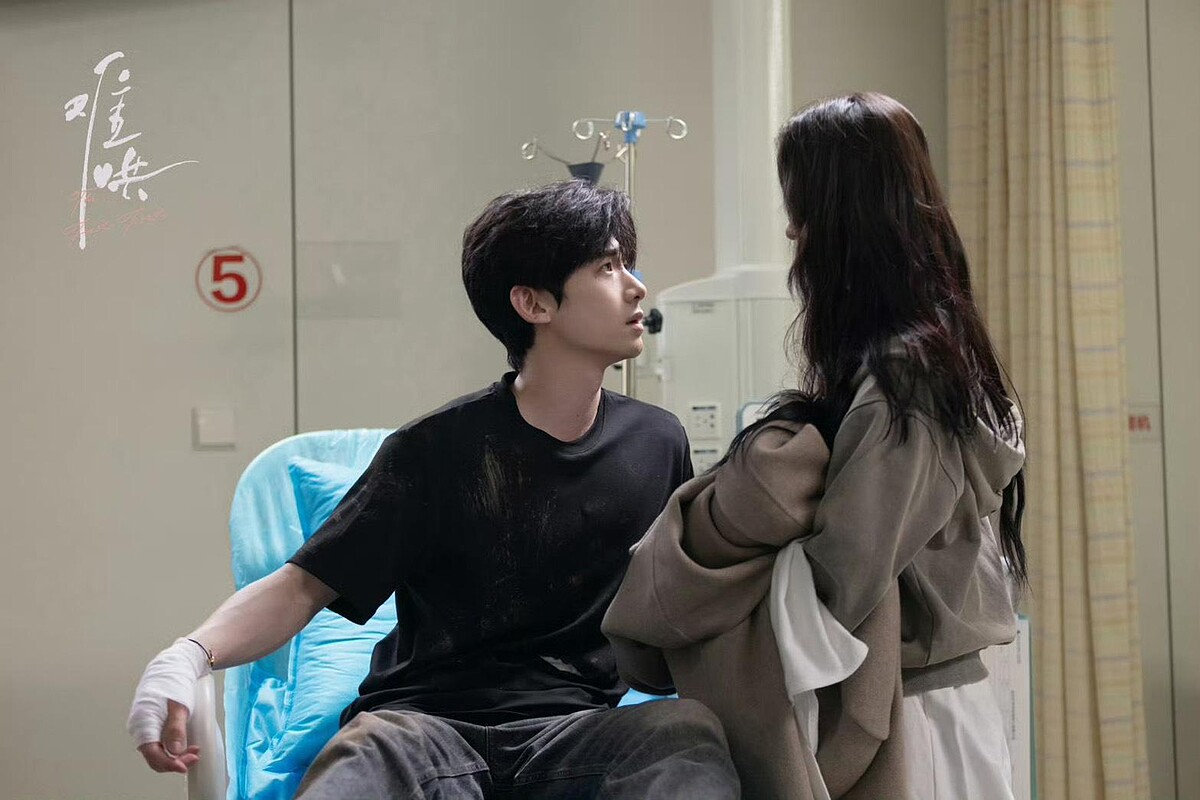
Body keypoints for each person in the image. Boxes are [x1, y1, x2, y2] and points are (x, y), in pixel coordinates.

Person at [127, 180, 741, 799]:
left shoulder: (656, 442)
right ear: (533, 303)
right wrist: (189, 655)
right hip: (421, 734)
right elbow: (302, 587)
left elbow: (681, 601)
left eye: (628, 265)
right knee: (363, 757)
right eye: (607, 268)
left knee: (683, 732)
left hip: (576, 736)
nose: (636, 287)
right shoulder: (435, 451)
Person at [771, 91, 1027, 799]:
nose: (791, 229)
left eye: (800, 204)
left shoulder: (905, 378)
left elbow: (846, 571)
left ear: (840, 214)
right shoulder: (936, 352)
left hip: (917, 718)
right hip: (939, 707)